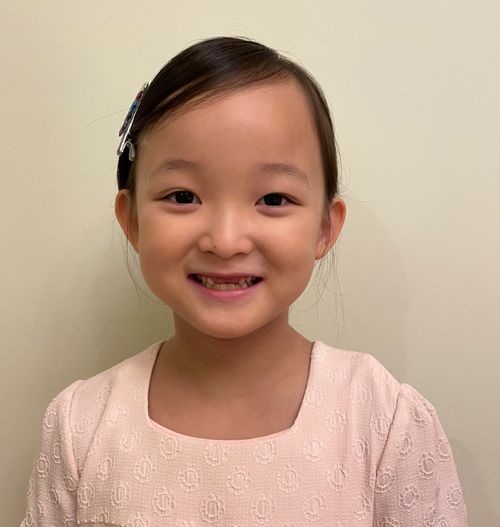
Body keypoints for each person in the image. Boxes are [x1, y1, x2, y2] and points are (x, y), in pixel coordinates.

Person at [21, 36, 468, 526]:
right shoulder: (81, 424)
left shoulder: (385, 423)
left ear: (324, 227)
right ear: (132, 221)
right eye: (183, 195)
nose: (227, 240)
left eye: (274, 199)